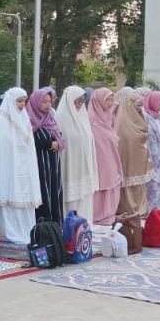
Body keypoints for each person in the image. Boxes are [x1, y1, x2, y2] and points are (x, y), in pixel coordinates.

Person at [0, 88, 41, 244]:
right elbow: (3, 143)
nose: (22, 104)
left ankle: (27, 231)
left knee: (25, 195)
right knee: (11, 194)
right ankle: (11, 233)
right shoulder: (2, 119)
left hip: (24, 165)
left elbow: (29, 142)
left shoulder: (24, 117)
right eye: (19, 101)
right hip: (9, 166)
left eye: (24, 101)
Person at [54, 86, 98, 223]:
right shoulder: (60, 119)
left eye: (82, 101)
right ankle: (70, 226)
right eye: (77, 101)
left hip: (83, 167)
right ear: (69, 100)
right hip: (70, 166)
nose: (80, 104)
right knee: (71, 198)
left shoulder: (83, 118)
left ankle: (84, 225)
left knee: (84, 196)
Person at [88, 88, 123, 226]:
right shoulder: (90, 120)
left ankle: (109, 214)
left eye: (111, 99)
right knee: (101, 185)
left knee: (111, 184)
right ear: (98, 101)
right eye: (107, 99)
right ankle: (98, 214)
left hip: (111, 157)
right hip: (98, 159)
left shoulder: (109, 117)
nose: (110, 103)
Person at [27, 88, 64, 223]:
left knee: (54, 190)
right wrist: (49, 144)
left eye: (49, 102)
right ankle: (44, 225)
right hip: (39, 164)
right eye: (44, 102)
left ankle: (55, 225)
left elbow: (59, 137)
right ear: (36, 102)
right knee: (43, 192)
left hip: (53, 163)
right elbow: (29, 141)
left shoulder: (50, 119)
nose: (48, 105)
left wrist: (58, 143)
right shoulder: (29, 120)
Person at [115, 92, 153, 216]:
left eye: (141, 105)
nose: (140, 108)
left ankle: (140, 207)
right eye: (138, 105)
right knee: (129, 181)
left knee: (139, 182)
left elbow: (143, 133)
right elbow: (124, 139)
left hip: (139, 155)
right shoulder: (122, 121)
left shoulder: (139, 117)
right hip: (128, 156)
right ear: (130, 105)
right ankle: (129, 207)